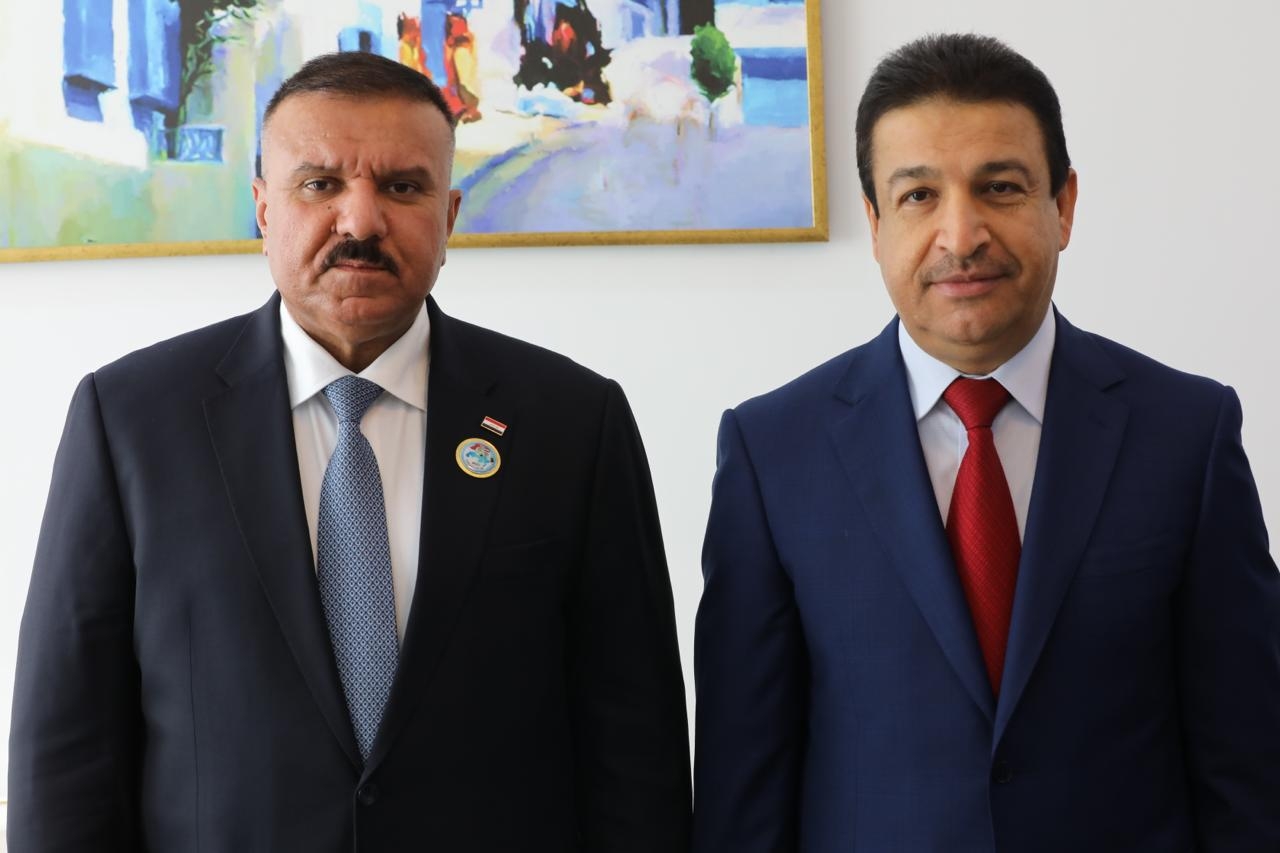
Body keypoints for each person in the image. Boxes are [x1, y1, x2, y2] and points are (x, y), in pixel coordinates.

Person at [8, 51, 691, 851]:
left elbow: (635, 745)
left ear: (449, 217)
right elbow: (67, 750)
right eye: (319, 183)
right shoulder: (130, 420)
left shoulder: (574, 422)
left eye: (402, 187)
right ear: (263, 209)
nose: (360, 222)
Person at [693, 33, 1280, 852]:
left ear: (1063, 205)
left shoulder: (1187, 433)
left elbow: (1248, 767)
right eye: (919, 195)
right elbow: (743, 790)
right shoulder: (772, 452)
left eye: (999, 187)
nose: (961, 235)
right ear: (874, 221)